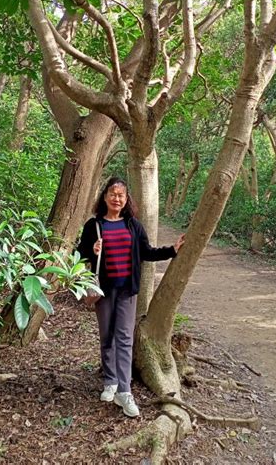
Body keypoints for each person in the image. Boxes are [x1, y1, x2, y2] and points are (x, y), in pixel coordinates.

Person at [77, 176, 185, 418]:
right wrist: (91, 251)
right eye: (113, 194)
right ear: (104, 197)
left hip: (127, 290)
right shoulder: (93, 226)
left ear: (126, 200)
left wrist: (172, 251)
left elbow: (146, 252)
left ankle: (124, 392)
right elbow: (79, 254)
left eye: (121, 195)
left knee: (124, 338)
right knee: (107, 336)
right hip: (103, 291)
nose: (117, 198)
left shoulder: (133, 225)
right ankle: (110, 381)